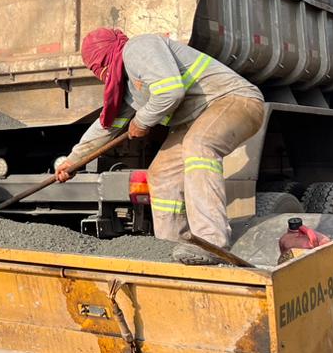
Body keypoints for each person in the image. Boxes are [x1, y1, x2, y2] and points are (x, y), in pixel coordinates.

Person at [55, 28, 265, 265]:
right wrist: (73, 161)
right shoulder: (129, 90)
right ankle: (170, 248)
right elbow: (106, 127)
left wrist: (142, 120)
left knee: (199, 145)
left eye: (96, 67)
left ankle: (212, 241)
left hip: (234, 100)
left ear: (103, 58)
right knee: (161, 174)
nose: (99, 75)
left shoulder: (138, 47)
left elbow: (171, 91)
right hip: (196, 118)